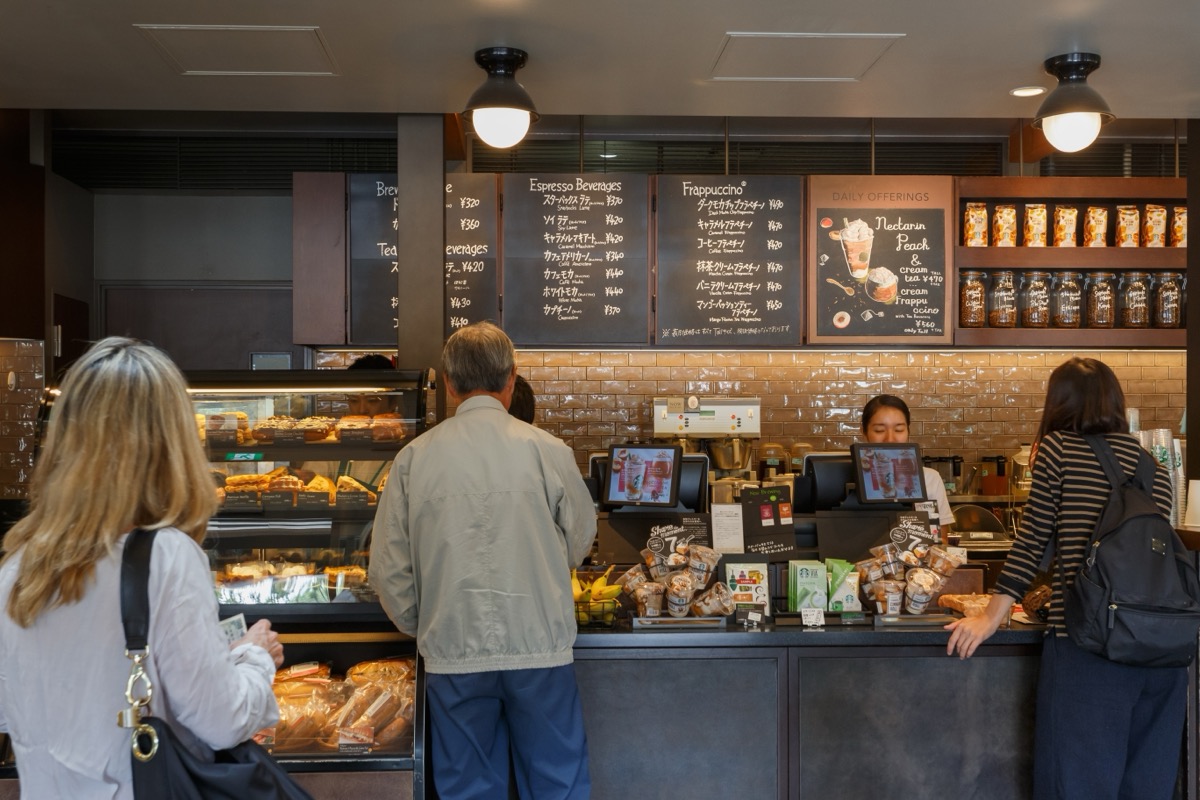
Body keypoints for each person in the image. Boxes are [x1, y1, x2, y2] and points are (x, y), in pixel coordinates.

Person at [0, 336, 284, 799]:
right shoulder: (165, 558)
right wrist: (253, 658)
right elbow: (222, 720)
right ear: (169, 444)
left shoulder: (18, 567)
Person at [370, 321, 596, 800]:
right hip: (540, 649)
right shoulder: (549, 451)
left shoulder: (413, 459)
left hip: (453, 650)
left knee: (468, 789)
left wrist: (425, 621)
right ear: (511, 379)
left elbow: (388, 572)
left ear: (449, 384)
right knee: (557, 783)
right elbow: (579, 542)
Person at [946, 357, 1181, 799]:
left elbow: (1031, 542)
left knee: (1073, 788)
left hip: (1088, 649)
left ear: (1059, 403)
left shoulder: (1057, 449)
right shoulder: (1153, 465)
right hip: (1160, 657)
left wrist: (990, 617)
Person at [861, 394, 954, 534]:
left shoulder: (930, 478)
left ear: (908, 432)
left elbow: (941, 540)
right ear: (864, 432)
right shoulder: (849, 478)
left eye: (899, 430)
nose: (890, 439)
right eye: (879, 430)